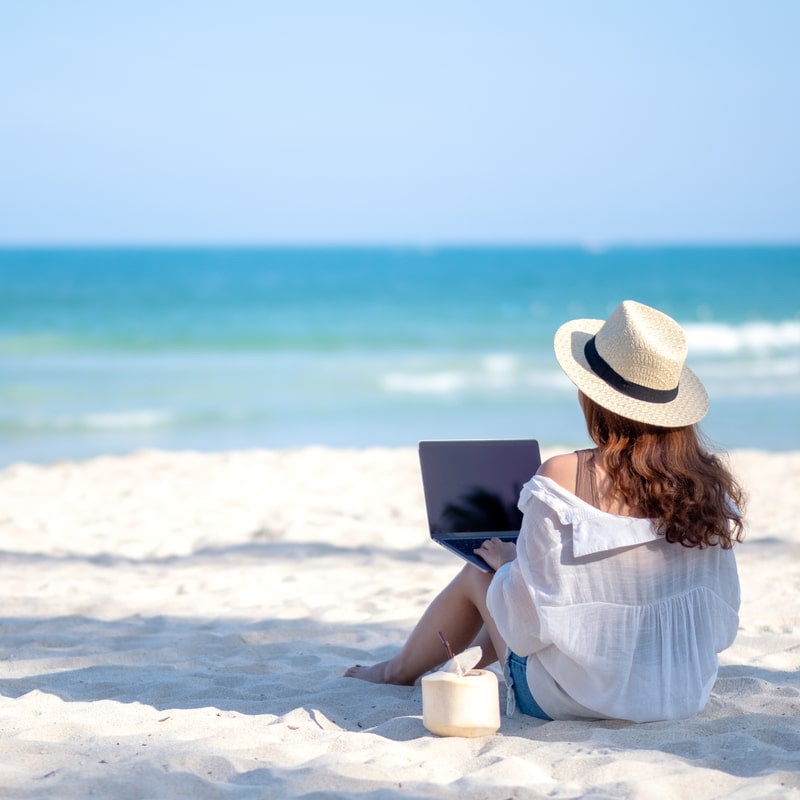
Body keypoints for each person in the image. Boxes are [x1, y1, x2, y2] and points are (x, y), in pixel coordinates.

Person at [345, 300, 744, 723]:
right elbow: (721, 623)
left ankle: (395, 672)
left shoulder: (563, 475)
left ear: (593, 396)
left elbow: (525, 629)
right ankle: (449, 664)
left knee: (480, 573)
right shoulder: (707, 483)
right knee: (511, 578)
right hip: (681, 692)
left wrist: (505, 566)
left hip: (575, 700)